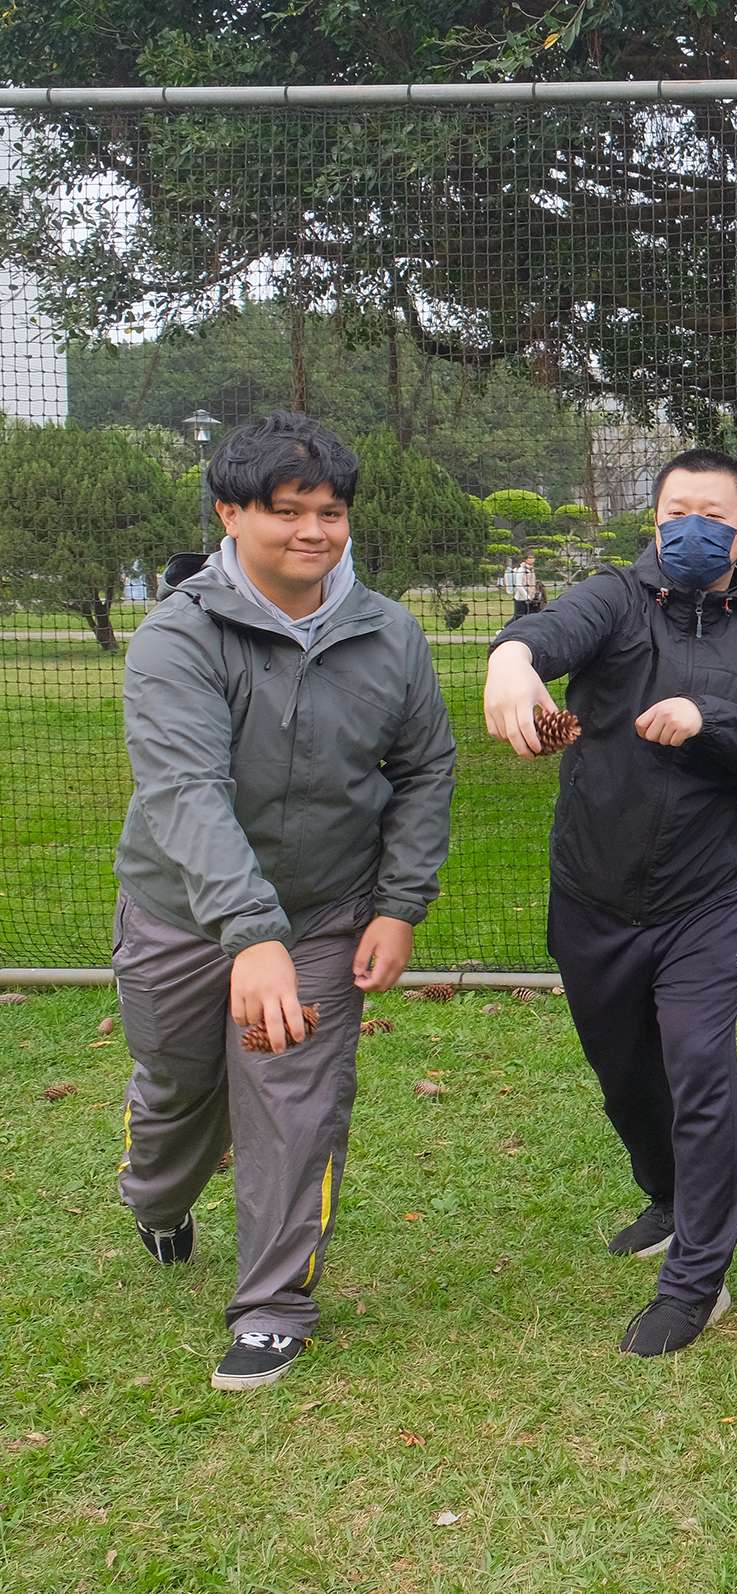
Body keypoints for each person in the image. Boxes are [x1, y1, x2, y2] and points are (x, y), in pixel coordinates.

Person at [115, 411, 456, 1392]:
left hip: (321, 914)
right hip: (183, 914)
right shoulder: (179, 635)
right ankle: (158, 1196)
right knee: (181, 1095)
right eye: (287, 511)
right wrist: (245, 933)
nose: (313, 531)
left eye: (331, 512)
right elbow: (185, 790)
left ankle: (273, 1305)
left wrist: (397, 902)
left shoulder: (386, 632)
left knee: (293, 1104)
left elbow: (426, 766)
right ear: (231, 512)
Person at [482, 448, 737, 1357]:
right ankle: (667, 1194)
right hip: (592, 896)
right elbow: (542, 636)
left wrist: (714, 720)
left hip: (707, 901)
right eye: (675, 513)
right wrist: (511, 662)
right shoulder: (613, 599)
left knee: (700, 1069)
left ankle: (697, 1279)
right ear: (655, 523)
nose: (690, 528)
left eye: (712, 515)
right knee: (627, 1077)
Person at [502, 554, 539, 619]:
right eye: (530, 558)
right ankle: (504, 628)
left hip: (530, 597)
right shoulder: (521, 570)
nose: (532, 560)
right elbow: (518, 585)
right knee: (518, 618)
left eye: (533, 558)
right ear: (525, 559)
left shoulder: (531, 569)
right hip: (521, 598)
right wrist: (526, 597)